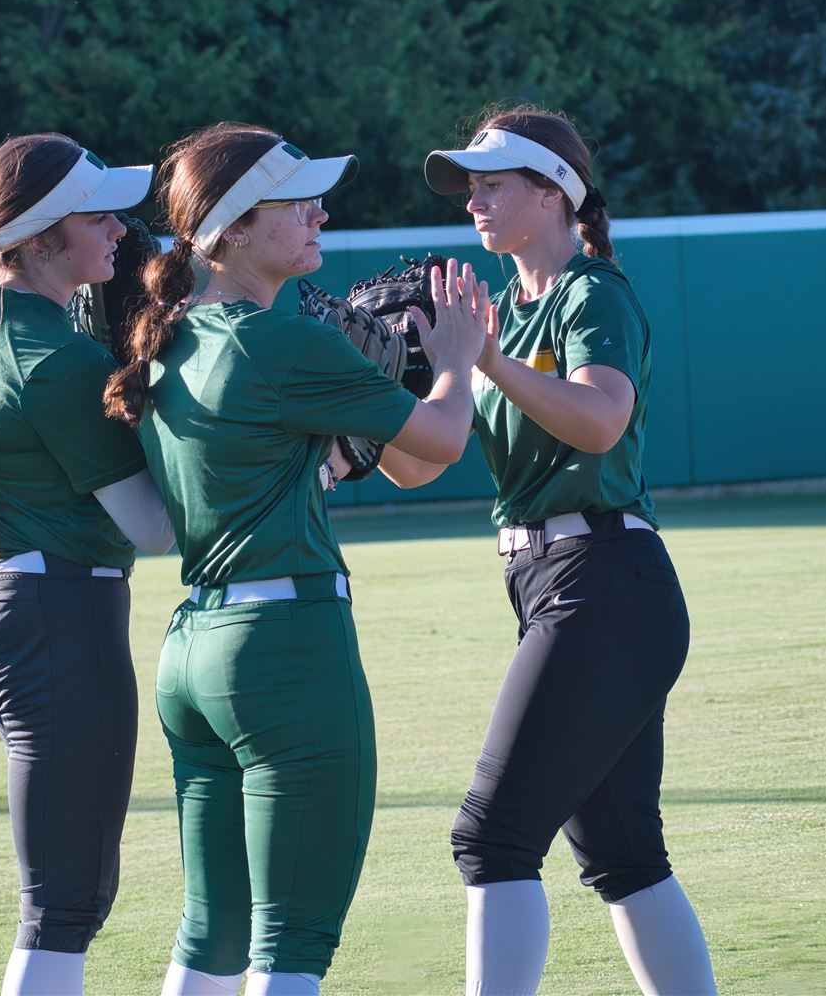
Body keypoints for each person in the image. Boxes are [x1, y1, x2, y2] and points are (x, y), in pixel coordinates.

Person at [104, 122, 486, 996]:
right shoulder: (281, 343)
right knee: (292, 941)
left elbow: (405, 465)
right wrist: (459, 360)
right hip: (285, 649)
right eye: (295, 200)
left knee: (212, 934)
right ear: (233, 227)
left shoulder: (168, 338)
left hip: (194, 649)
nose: (319, 211)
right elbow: (442, 440)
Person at [381, 107, 717, 995]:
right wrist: (367, 404)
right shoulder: (503, 314)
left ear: (552, 193)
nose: (474, 205)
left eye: (491, 186)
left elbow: (602, 420)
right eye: (471, 190)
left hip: (606, 581)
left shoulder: (590, 292)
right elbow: (419, 467)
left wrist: (484, 357)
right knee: (623, 855)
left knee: (491, 838)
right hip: (554, 584)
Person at [0, 133, 175, 996]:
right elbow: (152, 528)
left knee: (66, 903)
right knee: (63, 909)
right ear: (37, 238)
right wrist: (305, 454)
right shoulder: (54, 356)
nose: (118, 228)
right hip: (58, 623)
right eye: (95, 214)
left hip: (27, 614)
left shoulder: (4, 330)